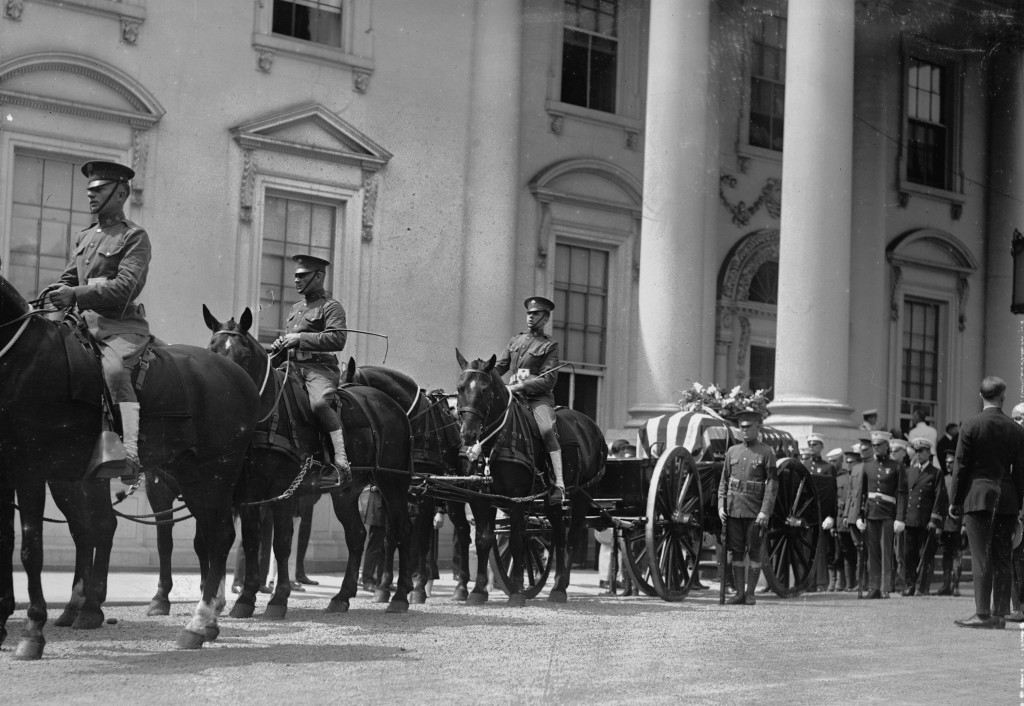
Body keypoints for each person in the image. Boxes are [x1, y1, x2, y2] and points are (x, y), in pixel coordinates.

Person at [42, 161, 150, 481]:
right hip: (79, 327)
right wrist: (52, 312)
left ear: (119, 193)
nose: (90, 194)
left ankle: (128, 453)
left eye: (98, 189)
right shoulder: (86, 236)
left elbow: (125, 288)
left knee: (115, 372)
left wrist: (75, 294)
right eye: (89, 189)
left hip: (119, 327)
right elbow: (66, 281)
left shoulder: (134, 237)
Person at [949, 377, 1024, 629]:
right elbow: (1020, 472)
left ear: (981, 396)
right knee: (1002, 557)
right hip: (1007, 499)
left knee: (981, 557)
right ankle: (1000, 613)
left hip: (978, 496)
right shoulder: (1016, 429)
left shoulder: (970, 424)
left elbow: (960, 466)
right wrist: (1018, 503)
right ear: (1002, 396)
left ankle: (983, 614)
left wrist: (955, 500)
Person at [271, 254, 350, 489]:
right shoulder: (296, 308)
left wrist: (300, 338)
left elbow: (338, 338)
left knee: (319, 405)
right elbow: (291, 341)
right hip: (292, 367)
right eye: (295, 276)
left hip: (319, 370)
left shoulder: (331, 306)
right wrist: (281, 345)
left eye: (302, 276)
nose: (296, 280)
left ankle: (340, 460)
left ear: (318, 277)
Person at [495, 296, 564, 503]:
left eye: (535, 314)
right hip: (513, 397)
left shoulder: (549, 345)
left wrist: (522, 385)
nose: (530, 317)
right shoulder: (515, 341)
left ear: (545, 318)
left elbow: (548, 379)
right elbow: (500, 367)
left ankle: (558, 484)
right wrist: (483, 374)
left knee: (547, 430)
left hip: (537, 399)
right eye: (528, 314)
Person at [717, 410, 778, 605]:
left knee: (754, 550)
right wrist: (721, 506)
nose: (744, 430)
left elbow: (772, 484)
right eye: (741, 427)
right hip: (734, 510)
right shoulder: (732, 451)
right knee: (735, 551)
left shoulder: (766, 452)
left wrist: (765, 511)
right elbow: (724, 481)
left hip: (755, 511)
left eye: (748, 427)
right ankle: (739, 594)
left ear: (757, 427)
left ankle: (750, 594)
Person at [854, 430, 907, 599]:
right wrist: (859, 516)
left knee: (885, 552)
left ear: (886, 446)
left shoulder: (896, 466)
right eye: (874, 445)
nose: (876, 448)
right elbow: (861, 493)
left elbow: (901, 493)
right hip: (871, 513)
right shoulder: (867, 466)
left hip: (887, 513)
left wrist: (899, 518)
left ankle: (885, 588)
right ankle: (874, 587)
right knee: (873, 553)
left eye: (879, 445)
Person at [901, 438, 940, 596]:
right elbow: (904, 495)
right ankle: (909, 585)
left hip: (925, 521)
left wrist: (933, 519)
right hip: (910, 519)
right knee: (909, 555)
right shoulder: (910, 472)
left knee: (924, 555)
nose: (919, 454)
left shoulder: (935, 473)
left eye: (922, 451)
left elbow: (939, 498)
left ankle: (921, 586)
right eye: (916, 451)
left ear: (928, 453)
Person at [803, 433, 836, 592]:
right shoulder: (804, 465)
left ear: (821, 447)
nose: (812, 447)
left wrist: (832, 515)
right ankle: (807, 582)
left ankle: (821, 582)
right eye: (810, 444)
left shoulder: (828, 467)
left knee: (821, 549)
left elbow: (833, 493)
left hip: (822, 514)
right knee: (806, 548)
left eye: (815, 444)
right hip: (807, 515)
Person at [834, 446, 860, 592]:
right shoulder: (841, 478)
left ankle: (859, 582)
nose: (850, 465)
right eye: (848, 462)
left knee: (859, 551)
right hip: (842, 521)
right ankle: (849, 584)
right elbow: (835, 499)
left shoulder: (861, 477)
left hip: (856, 519)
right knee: (846, 553)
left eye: (853, 462)